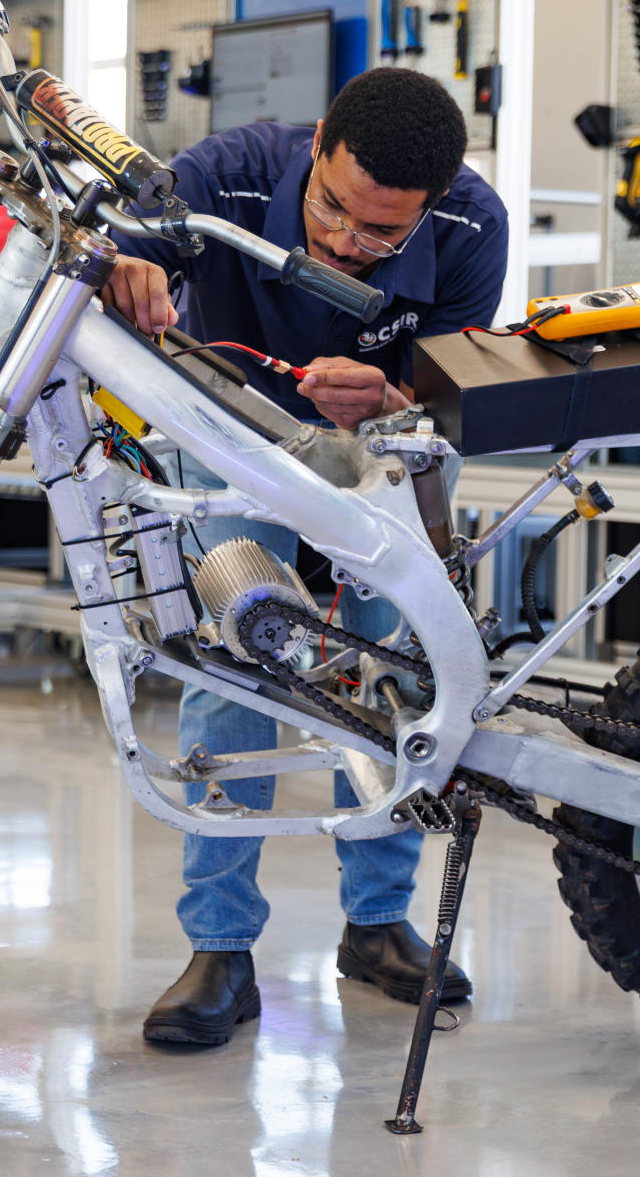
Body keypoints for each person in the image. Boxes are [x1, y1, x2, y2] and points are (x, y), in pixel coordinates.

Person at [100, 67, 509, 1046]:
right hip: (231, 436)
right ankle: (219, 948)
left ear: (433, 204)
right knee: (237, 672)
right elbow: (110, 253)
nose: (341, 240)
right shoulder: (226, 174)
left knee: (393, 673)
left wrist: (389, 394)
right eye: (330, 207)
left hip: (380, 453)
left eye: (379, 234)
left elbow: (452, 395)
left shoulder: (470, 226)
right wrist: (130, 270)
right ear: (317, 143)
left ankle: (375, 926)